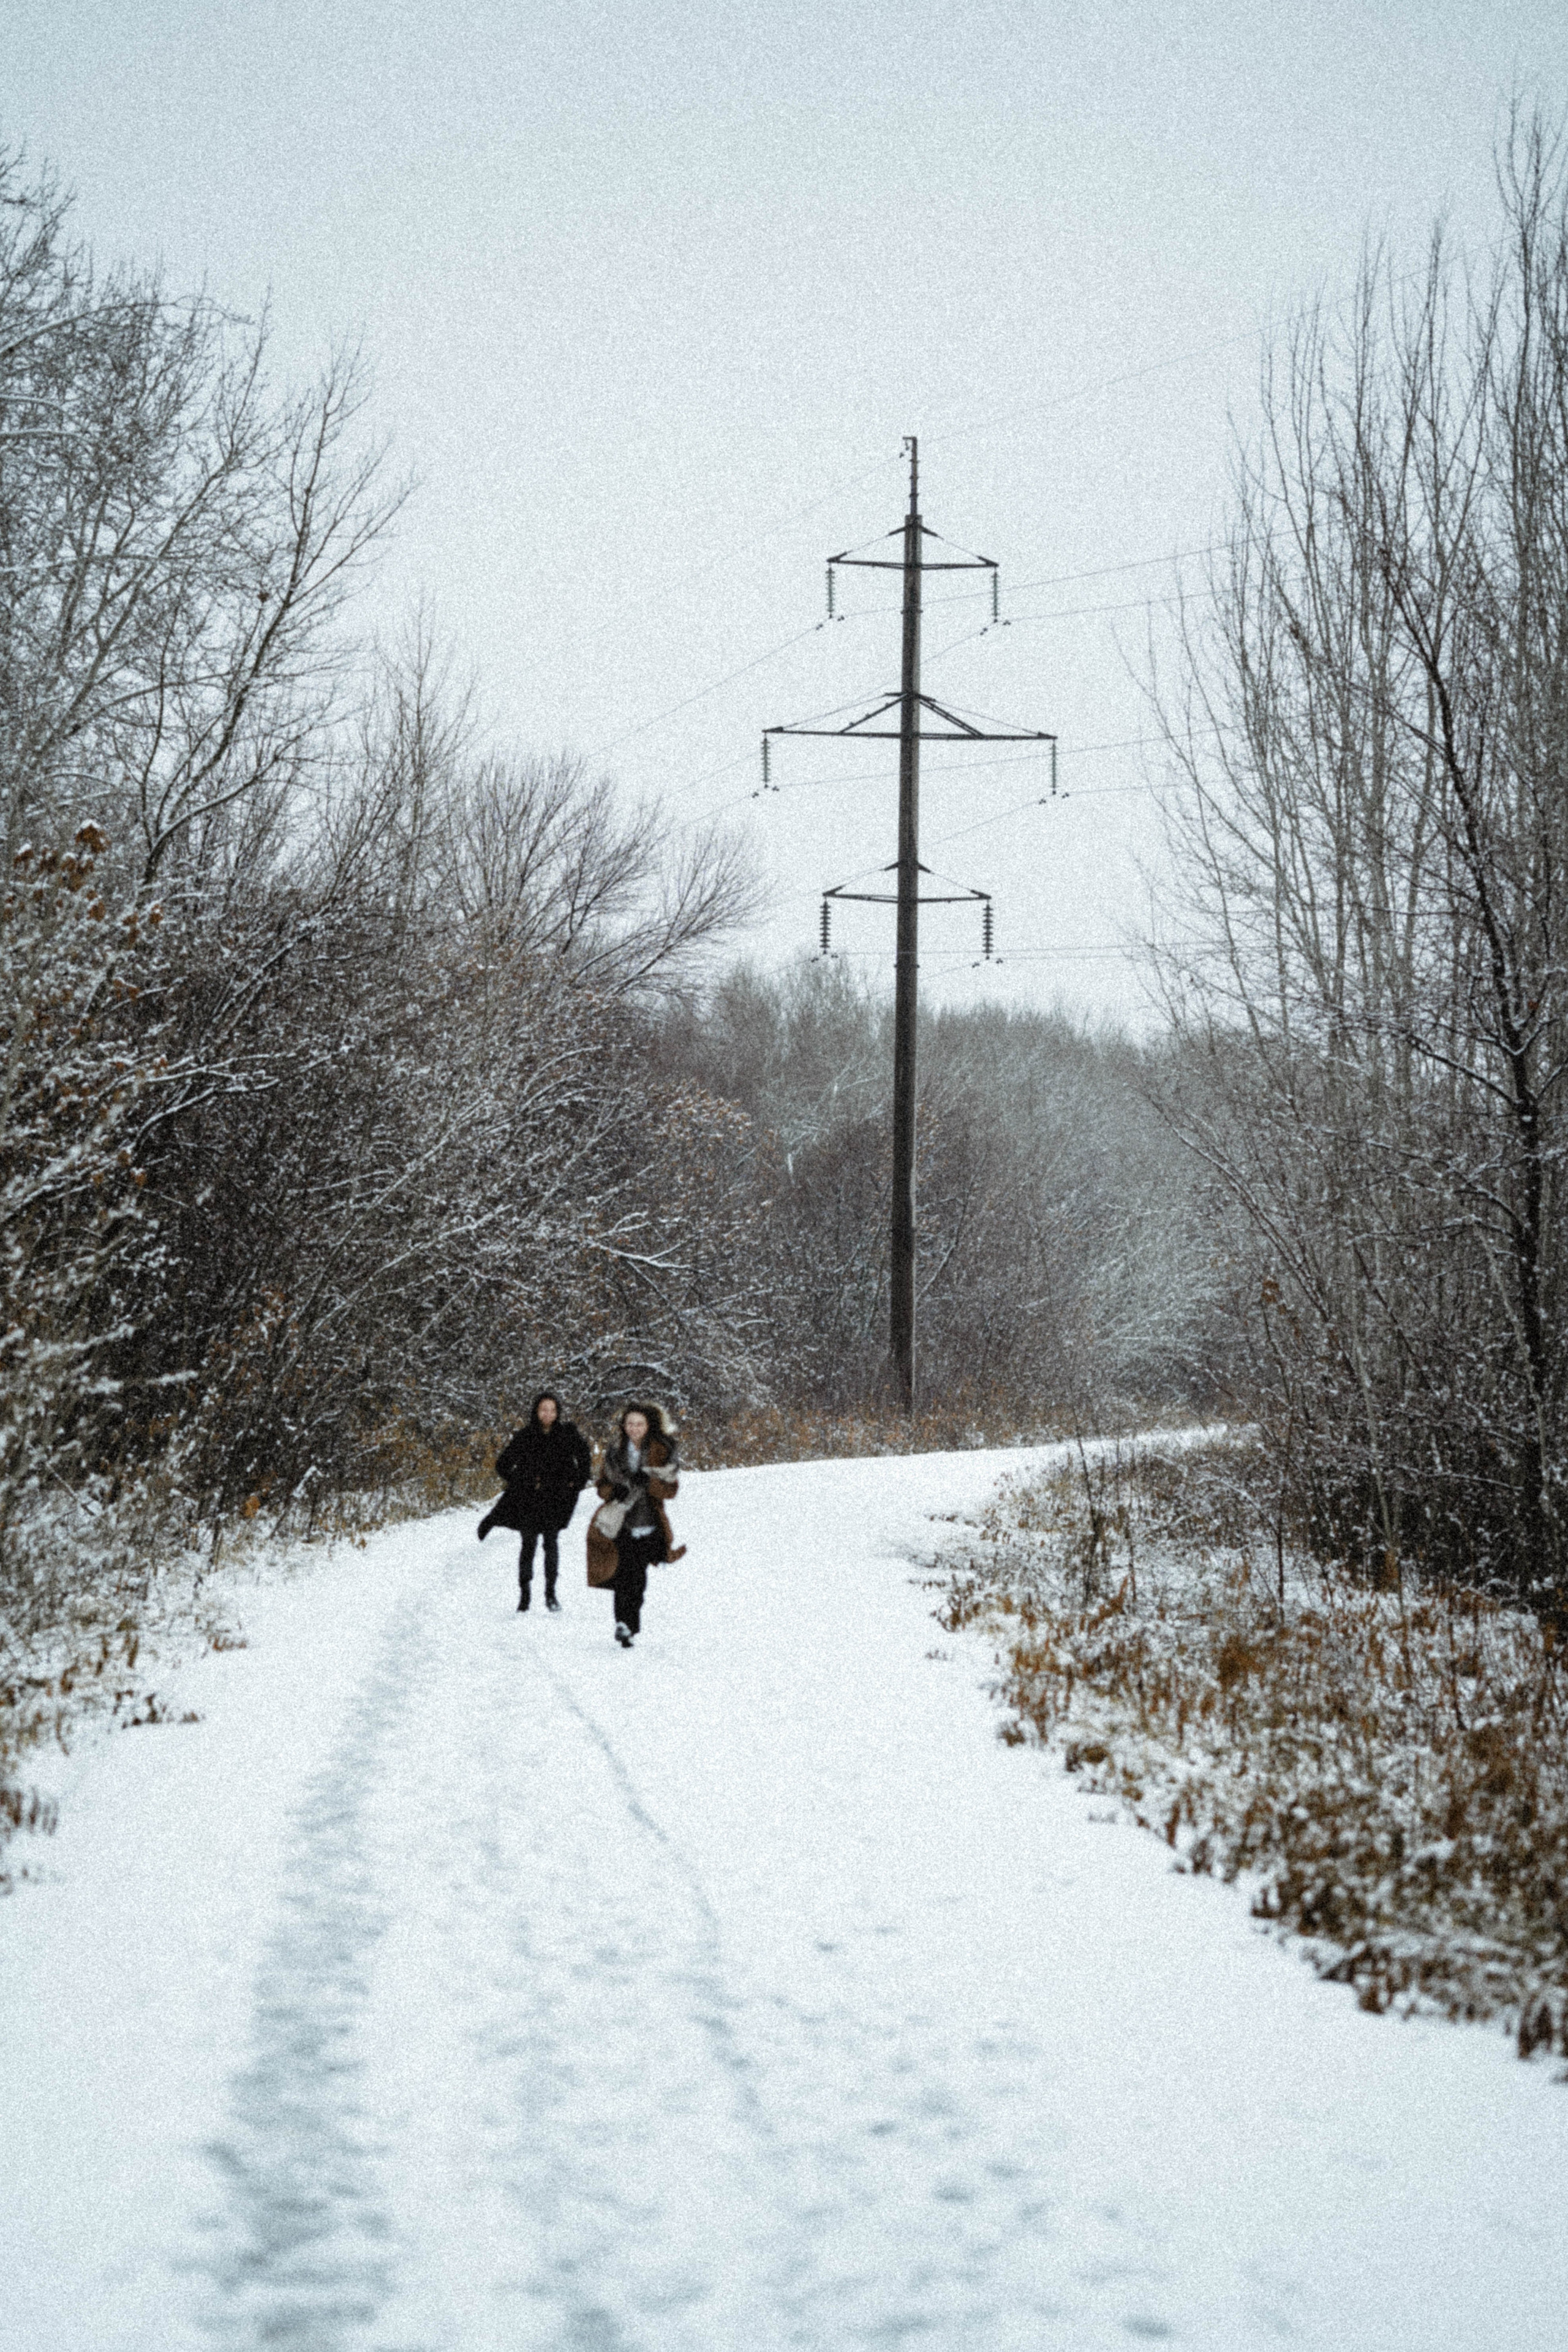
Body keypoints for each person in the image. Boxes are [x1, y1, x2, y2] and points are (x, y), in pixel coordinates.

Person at [478, 1392, 592, 1612]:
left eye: (552, 1410)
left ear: (558, 1412)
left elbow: (585, 1456)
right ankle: (525, 1596)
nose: (548, 1414)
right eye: (543, 1409)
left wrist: (577, 1482)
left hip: (556, 1499)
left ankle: (551, 1594)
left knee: (551, 1544)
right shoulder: (526, 1436)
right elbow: (503, 1464)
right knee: (528, 1545)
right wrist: (521, 1481)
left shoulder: (567, 1434)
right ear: (536, 1411)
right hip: (530, 1500)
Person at [592, 1402, 684, 1648]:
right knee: (624, 1576)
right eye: (630, 1423)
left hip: (649, 1523)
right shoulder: (614, 1452)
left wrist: (650, 1482)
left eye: (639, 1424)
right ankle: (624, 1625)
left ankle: (630, 1624)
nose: (634, 1428)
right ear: (623, 1426)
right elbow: (601, 1486)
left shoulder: (662, 1450)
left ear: (649, 1425)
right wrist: (614, 1490)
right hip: (621, 1523)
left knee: (637, 1579)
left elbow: (671, 1489)